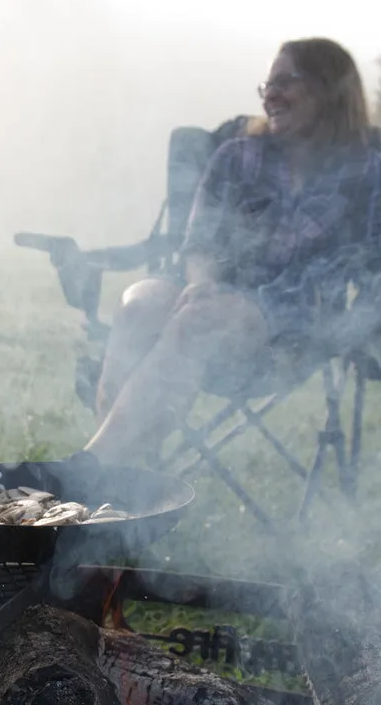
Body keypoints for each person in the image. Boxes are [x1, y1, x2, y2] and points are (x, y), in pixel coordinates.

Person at [85, 37, 381, 467]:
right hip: (206, 299)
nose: (271, 96)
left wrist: (358, 330)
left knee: (203, 320)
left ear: (328, 88)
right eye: (267, 86)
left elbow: (373, 266)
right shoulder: (238, 155)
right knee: (138, 306)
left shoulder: (367, 172)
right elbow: (199, 243)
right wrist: (203, 284)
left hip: (298, 327)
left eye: (286, 82)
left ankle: (88, 472)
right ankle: (126, 488)